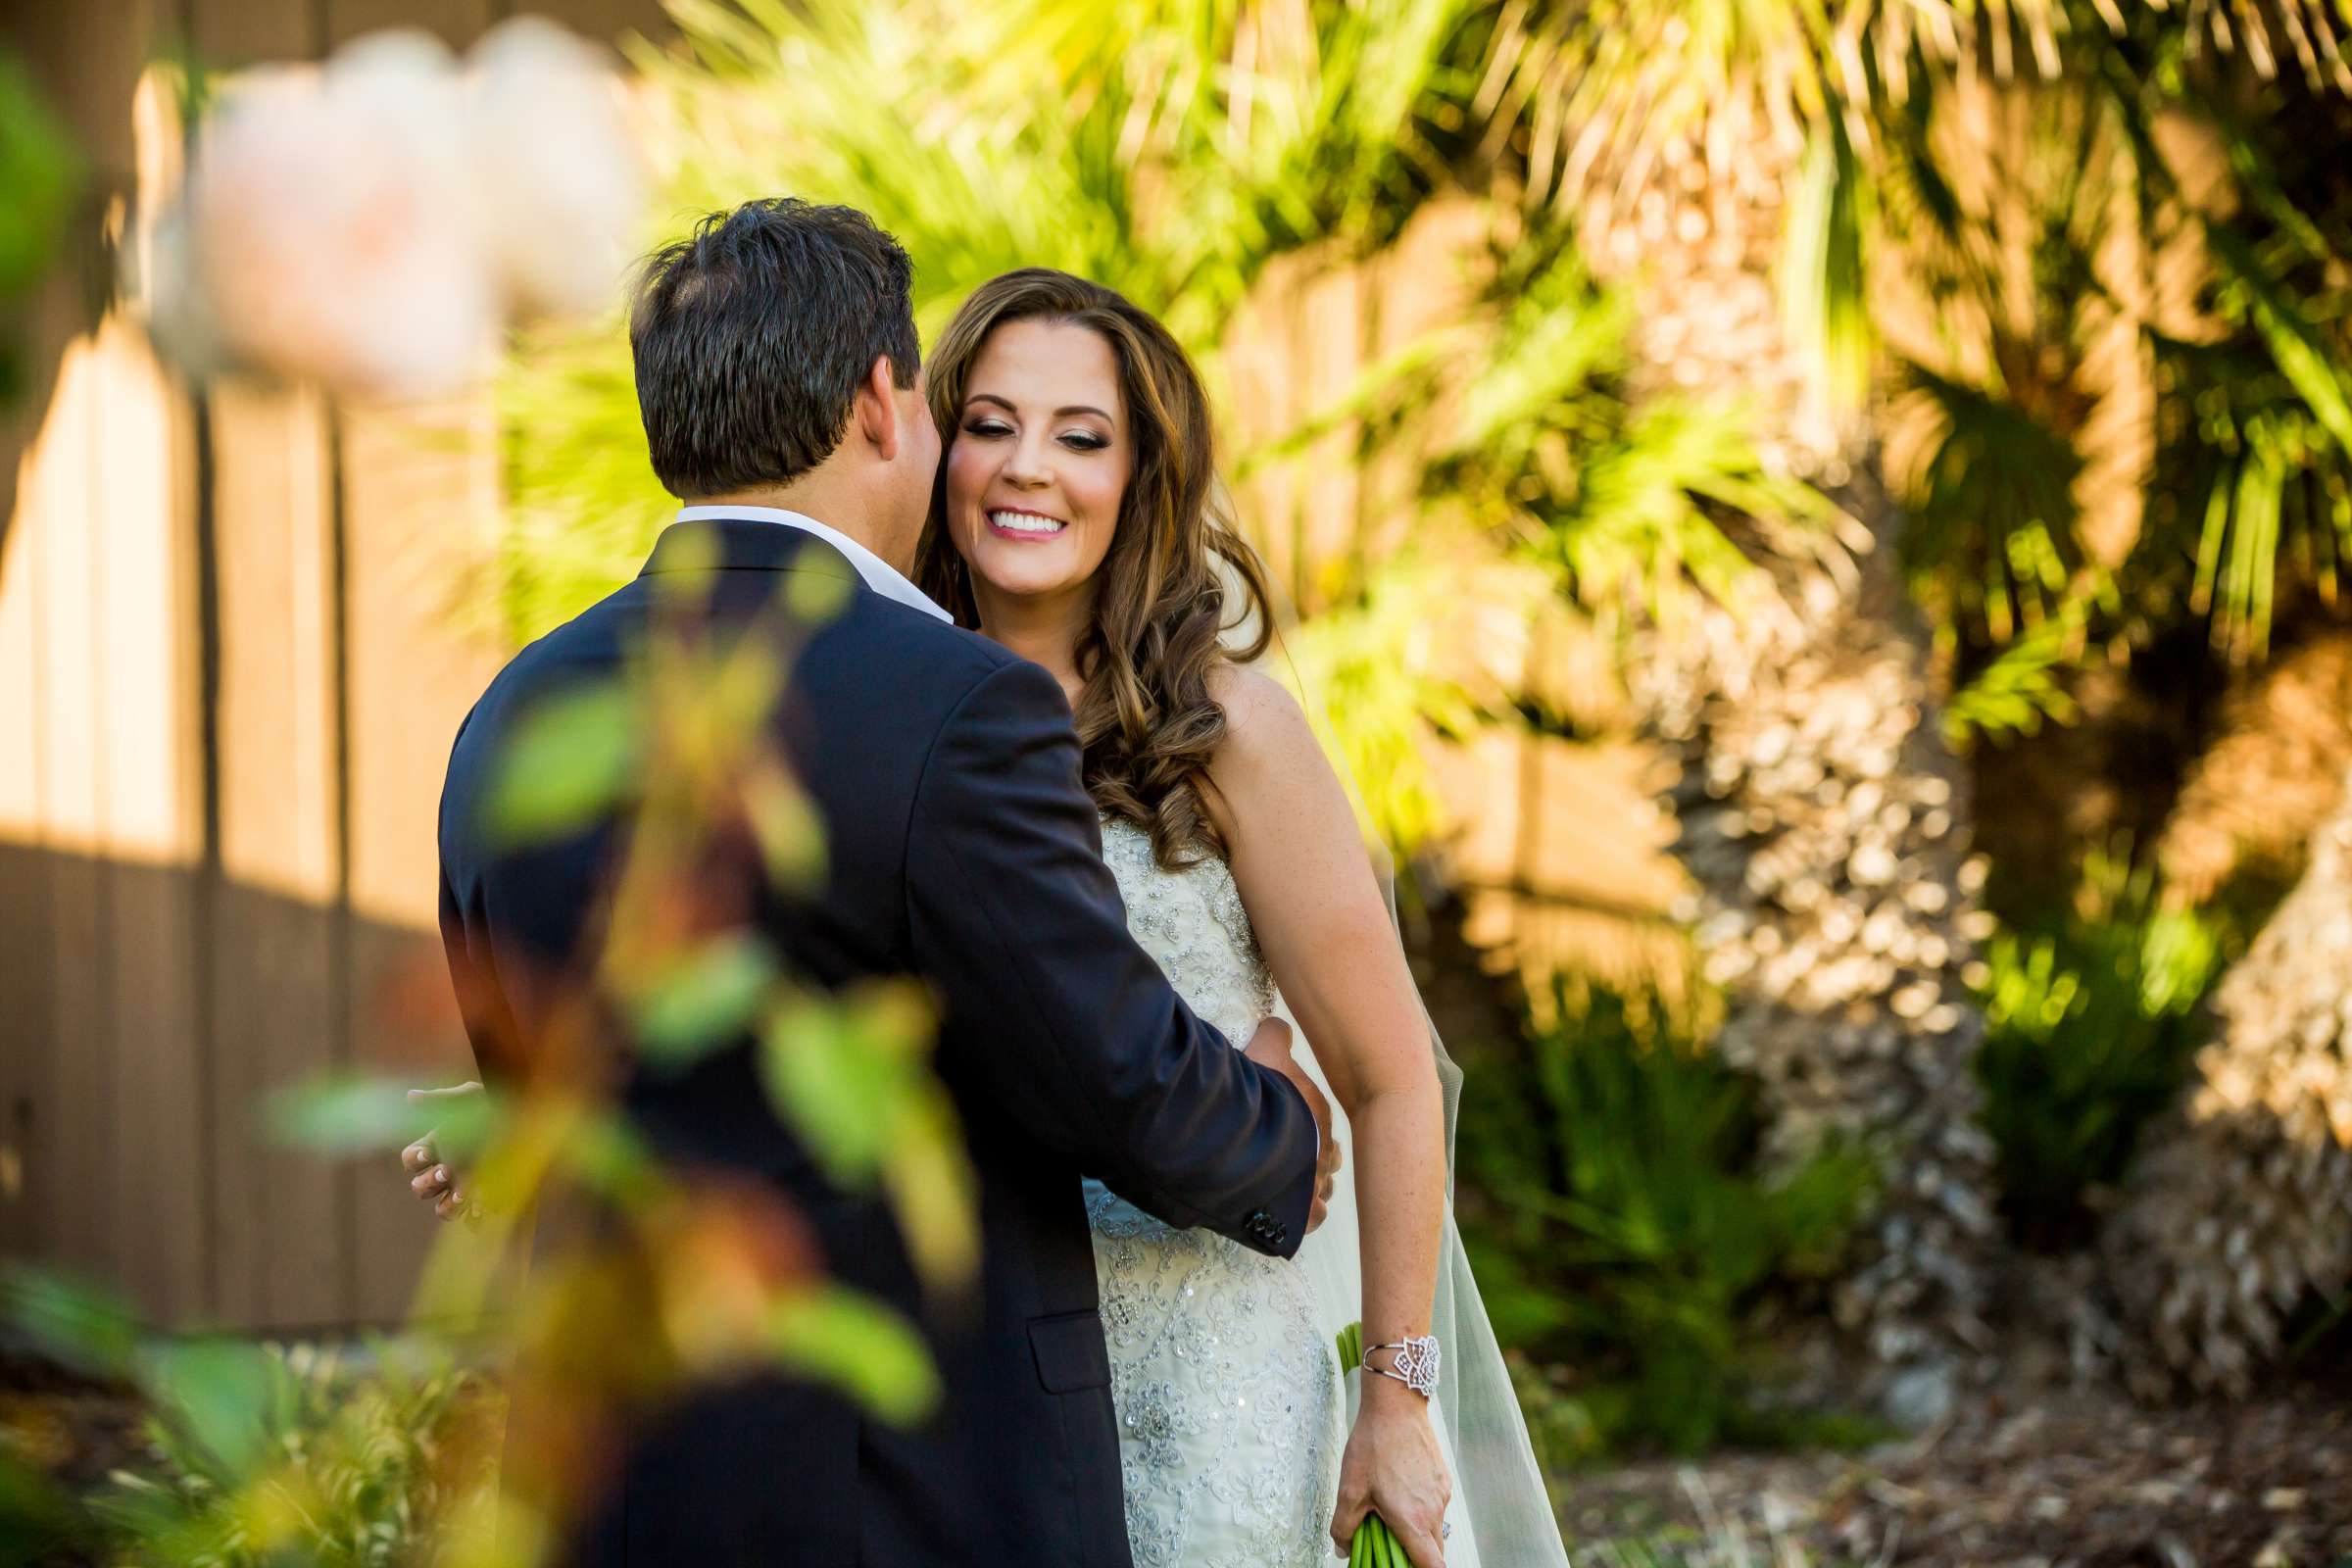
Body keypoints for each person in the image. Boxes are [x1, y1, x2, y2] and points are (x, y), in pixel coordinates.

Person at [427, 198, 1341, 1568]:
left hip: (614, 1485)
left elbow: (541, 1086)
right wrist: (1282, 1134)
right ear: (880, 402)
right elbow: (1108, 1066)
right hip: (912, 1490)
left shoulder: (510, 716)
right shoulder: (956, 704)